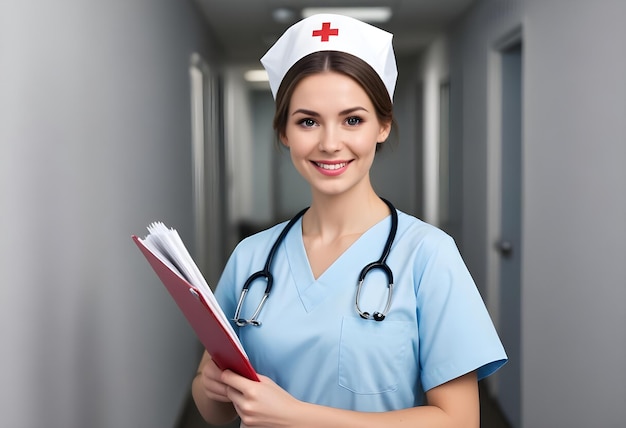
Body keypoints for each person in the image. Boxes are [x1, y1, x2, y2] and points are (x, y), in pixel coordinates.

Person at [192, 13, 507, 428]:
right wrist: (211, 387)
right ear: (284, 132)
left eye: (352, 120)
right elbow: (212, 405)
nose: (329, 143)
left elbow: (459, 421)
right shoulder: (251, 256)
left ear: (383, 125)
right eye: (307, 121)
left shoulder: (428, 255)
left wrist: (298, 417)